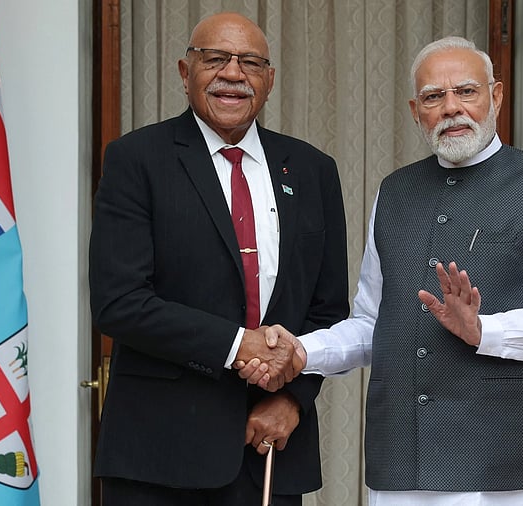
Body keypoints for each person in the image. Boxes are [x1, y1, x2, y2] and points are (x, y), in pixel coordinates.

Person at [241, 36, 523, 505]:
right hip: (404, 458)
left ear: (496, 96)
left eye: (466, 91)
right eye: (434, 97)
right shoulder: (395, 192)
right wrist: (300, 351)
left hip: (509, 461)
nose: (451, 108)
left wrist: (486, 330)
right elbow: (374, 325)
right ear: (416, 110)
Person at [88, 12, 349, 505]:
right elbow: (118, 303)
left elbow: (328, 311)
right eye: (215, 59)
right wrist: (239, 345)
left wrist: (292, 398)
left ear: (269, 80)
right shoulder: (136, 160)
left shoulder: (313, 170)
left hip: (270, 451)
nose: (233, 74)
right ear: (185, 73)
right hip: (159, 459)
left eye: (250, 62)